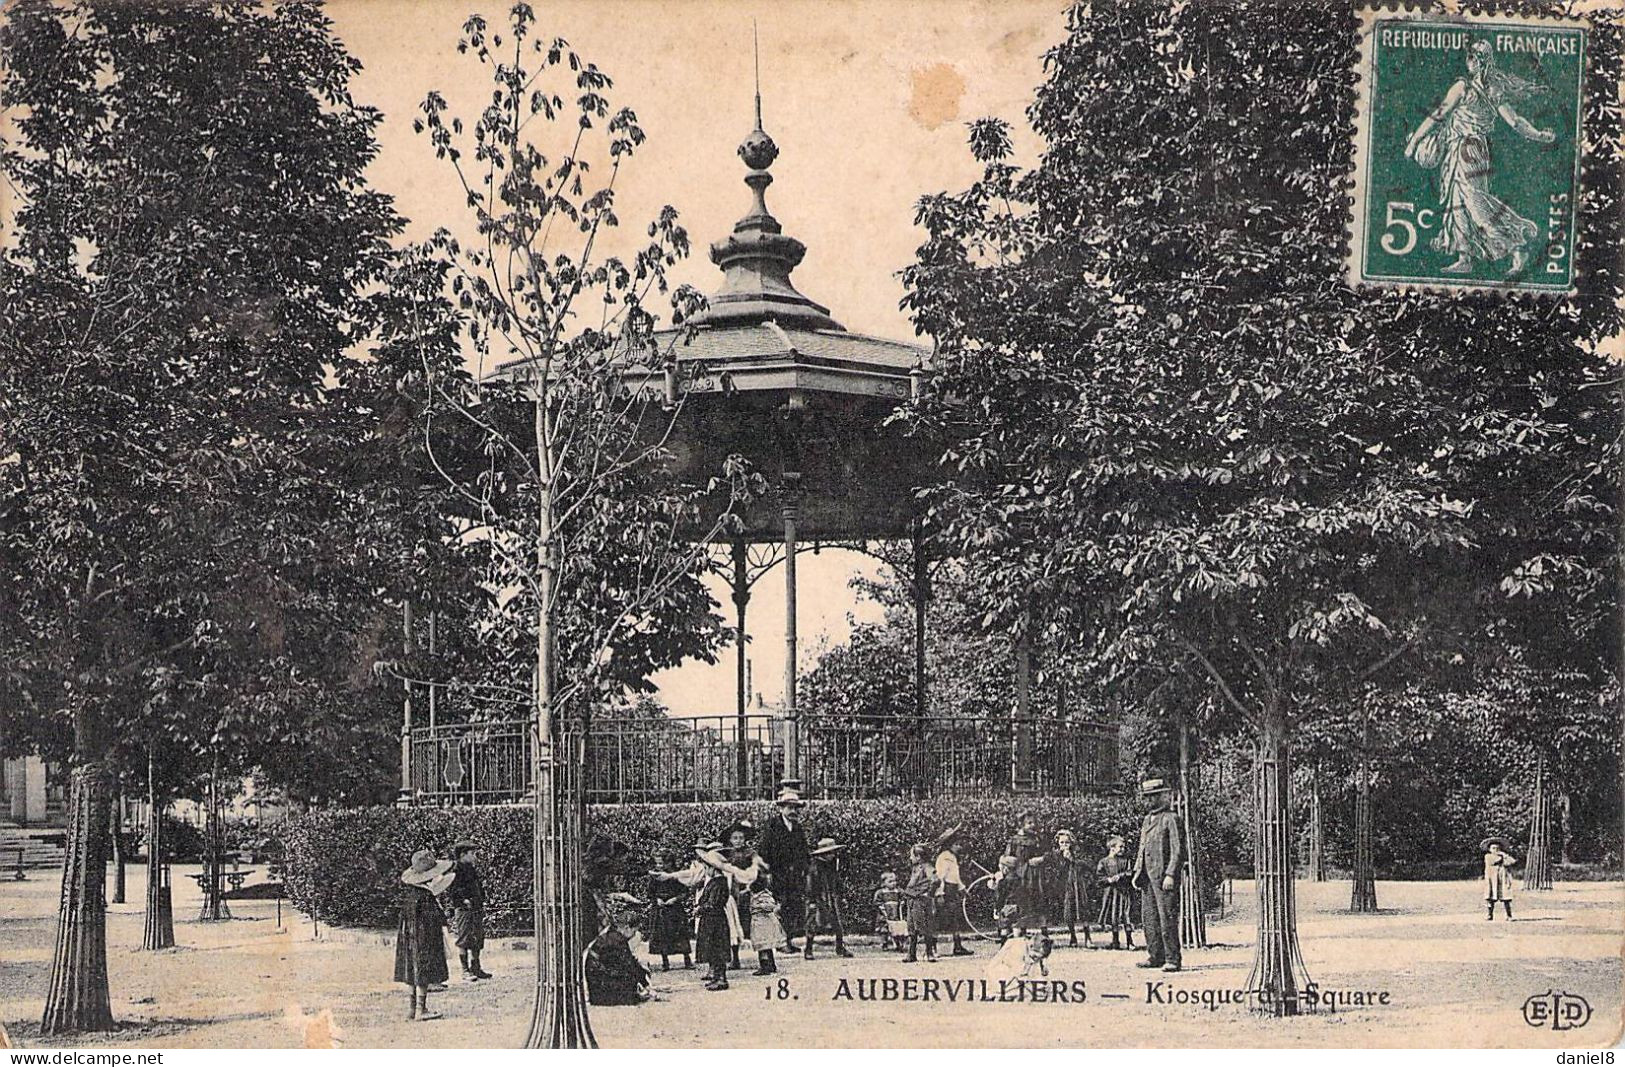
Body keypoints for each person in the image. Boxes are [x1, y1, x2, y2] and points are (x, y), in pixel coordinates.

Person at [1404, 39, 1555, 277]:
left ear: (1479, 61)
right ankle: (1465, 257)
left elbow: (1437, 116)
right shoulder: (1492, 90)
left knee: (1476, 203)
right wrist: (1538, 135)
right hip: (1468, 148)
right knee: (1457, 202)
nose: (1468, 62)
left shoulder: (1464, 88)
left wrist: (1413, 142)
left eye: (1472, 58)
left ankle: (1517, 245)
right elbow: (1515, 122)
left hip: (1468, 149)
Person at [394, 849, 455, 1021]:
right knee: (423, 972)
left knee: (412, 972)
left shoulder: (409, 894)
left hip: (409, 937)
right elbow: (435, 917)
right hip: (424, 937)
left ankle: (412, 1009)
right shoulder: (426, 896)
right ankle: (422, 1009)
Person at [1131, 777, 1184, 973]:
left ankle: (1172, 958)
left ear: (1163, 796)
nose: (1149, 801)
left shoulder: (1171, 819)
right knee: (1150, 918)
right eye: (1147, 797)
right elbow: (1142, 848)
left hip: (1163, 878)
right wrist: (1137, 871)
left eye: (1154, 796)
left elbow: (1178, 850)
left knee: (1166, 917)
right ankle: (1155, 955)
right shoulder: (1146, 820)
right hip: (1146, 877)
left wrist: (1170, 874)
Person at [757, 789, 810, 952]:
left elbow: (804, 851)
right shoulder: (772, 826)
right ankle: (780, 943)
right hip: (777, 874)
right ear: (781, 808)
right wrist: (768, 872)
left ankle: (787, 940)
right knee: (778, 907)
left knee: (792, 907)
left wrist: (804, 869)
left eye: (795, 808)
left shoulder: (798, 828)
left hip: (794, 875)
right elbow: (764, 851)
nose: (793, 811)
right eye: (789, 807)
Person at [586, 892, 652, 1006]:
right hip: (602, 984)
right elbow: (629, 965)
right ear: (627, 927)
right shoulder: (619, 941)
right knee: (628, 976)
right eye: (634, 931)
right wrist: (645, 983)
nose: (634, 935)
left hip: (595, 985)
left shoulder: (612, 935)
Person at [445, 839, 490, 981]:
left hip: (476, 907)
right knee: (464, 938)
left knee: (477, 937)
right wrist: (463, 900)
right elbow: (452, 890)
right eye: (472, 853)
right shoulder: (455, 869)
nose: (474, 856)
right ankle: (465, 971)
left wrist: (481, 898)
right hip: (464, 909)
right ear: (463, 854)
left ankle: (476, 968)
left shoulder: (471, 868)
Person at [804, 836, 854, 959]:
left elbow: (836, 881)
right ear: (824, 854)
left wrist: (840, 893)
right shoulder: (815, 867)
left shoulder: (832, 865)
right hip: (817, 898)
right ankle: (808, 949)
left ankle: (840, 947)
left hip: (831, 897)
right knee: (812, 923)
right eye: (831, 853)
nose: (833, 855)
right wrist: (812, 900)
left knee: (837, 923)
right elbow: (811, 885)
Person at [646, 848, 693, 970]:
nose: (659, 866)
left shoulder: (675, 875)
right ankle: (665, 962)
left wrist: (675, 899)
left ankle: (687, 960)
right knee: (662, 934)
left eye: (661, 863)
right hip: (660, 909)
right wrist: (656, 900)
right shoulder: (654, 877)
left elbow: (685, 892)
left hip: (675, 909)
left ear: (669, 862)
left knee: (680, 934)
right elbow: (650, 893)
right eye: (657, 863)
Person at [1046, 828, 1093, 948]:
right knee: (1068, 912)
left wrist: (1072, 859)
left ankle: (1088, 937)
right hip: (1066, 886)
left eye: (1067, 842)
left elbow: (1087, 865)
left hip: (1079, 885)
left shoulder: (1077, 853)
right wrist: (1063, 861)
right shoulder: (1056, 856)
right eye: (1062, 842)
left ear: (1071, 842)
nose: (1064, 845)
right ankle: (1073, 936)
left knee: (1084, 910)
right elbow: (1056, 873)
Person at [1004, 811, 1048, 935]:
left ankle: (1044, 933)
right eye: (1029, 823)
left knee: (1039, 903)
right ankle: (1021, 932)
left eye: (1034, 822)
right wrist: (1005, 863)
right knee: (1021, 904)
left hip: (1035, 876)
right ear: (1021, 824)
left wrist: (1040, 859)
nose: (1033, 825)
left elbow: (1046, 854)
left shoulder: (1037, 839)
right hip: (1019, 877)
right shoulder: (1014, 840)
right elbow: (1007, 857)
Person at [723, 820, 759, 969]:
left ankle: (764, 959)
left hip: (747, 890)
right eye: (735, 838)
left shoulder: (751, 853)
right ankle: (735, 958)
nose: (738, 841)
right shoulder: (726, 854)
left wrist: (749, 887)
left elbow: (756, 871)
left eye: (741, 838)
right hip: (732, 892)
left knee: (753, 924)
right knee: (733, 925)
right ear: (730, 840)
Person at [933, 825, 974, 956]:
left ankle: (957, 946)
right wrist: (939, 893)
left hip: (953, 890)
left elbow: (955, 876)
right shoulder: (944, 857)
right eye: (957, 844)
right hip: (945, 891)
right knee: (939, 919)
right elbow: (941, 876)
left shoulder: (952, 857)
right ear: (949, 845)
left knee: (955, 918)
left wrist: (962, 889)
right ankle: (933, 947)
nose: (959, 847)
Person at [900, 842, 940, 963]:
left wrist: (928, 894)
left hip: (921, 901)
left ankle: (929, 953)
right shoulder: (915, 868)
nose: (910, 858)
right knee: (911, 928)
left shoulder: (927, 867)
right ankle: (911, 954)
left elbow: (935, 880)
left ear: (918, 857)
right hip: (912, 900)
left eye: (912, 855)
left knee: (925, 927)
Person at [1096, 834, 1135, 950]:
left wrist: (1120, 876)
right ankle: (1115, 941)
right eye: (1120, 847)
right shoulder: (1104, 862)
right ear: (1112, 848)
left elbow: (1130, 872)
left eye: (1123, 847)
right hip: (1111, 894)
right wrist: (1108, 879)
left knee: (1126, 915)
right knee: (1114, 917)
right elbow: (1098, 878)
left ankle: (1130, 941)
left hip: (1123, 892)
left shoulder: (1126, 861)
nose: (1123, 849)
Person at [748, 860, 786, 975]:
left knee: (763, 946)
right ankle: (770, 965)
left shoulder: (764, 895)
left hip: (763, 923)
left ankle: (766, 966)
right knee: (764, 946)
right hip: (759, 922)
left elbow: (770, 905)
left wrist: (760, 906)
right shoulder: (755, 895)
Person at [1482, 836, 1520, 920]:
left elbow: (1512, 862)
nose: (1495, 850)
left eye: (1498, 848)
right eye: (1493, 848)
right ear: (1489, 849)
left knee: (1506, 897)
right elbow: (1495, 861)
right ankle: (1489, 914)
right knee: (1490, 897)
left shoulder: (1504, 857)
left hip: (1503, 879)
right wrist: (1502, 857)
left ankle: (1509, 915)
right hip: (1492, 880)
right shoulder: (1488, 856)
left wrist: (1504, 855)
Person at [873, 870, 907, 951]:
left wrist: (902, 902)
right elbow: (877, 902)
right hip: (885, 913)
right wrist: (881, 907)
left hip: (895, 912)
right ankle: (884, 943)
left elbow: (903, 898)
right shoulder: (881, 892)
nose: (893, 883)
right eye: (890, 881)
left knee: (897, 928)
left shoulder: (898, 891)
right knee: (884, 928)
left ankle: (898, 942)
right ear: (884, 883)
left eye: (895, 881)